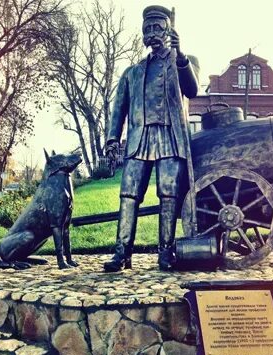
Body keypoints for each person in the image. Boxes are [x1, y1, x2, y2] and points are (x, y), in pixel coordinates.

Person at [104, 5, 199, 272]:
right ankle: (122, 252)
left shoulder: (184, 61)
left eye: (158, 27)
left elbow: (192, 90)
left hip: (170, 136)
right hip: (139, 139)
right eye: (148, 28)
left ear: (168, 29)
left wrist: (180, 56)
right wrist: (113, 139)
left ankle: (165, 251)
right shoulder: (132, 72)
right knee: (129, 194)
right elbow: (118, 110)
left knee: (168, 194)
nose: (152, 32)